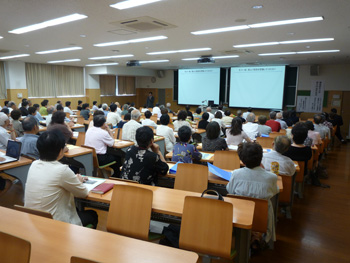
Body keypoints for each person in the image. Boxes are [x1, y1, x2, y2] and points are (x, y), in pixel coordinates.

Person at [24, 130, 98, 228]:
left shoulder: (34, 164)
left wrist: (73, 179)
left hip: (32, 220)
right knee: (92, 214)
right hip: (53, 225)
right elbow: (83, 193)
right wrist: (78, 181)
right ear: (60, 151)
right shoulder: (62, 170)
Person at [226, 142, 278, 243]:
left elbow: (230, 191)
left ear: (242, 160)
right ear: (261, 157)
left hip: (239, 215)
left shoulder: (236, 174)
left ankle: (250, 237)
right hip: (261, 218)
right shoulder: (271, 177)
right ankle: (257, 236)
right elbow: (274, 192)